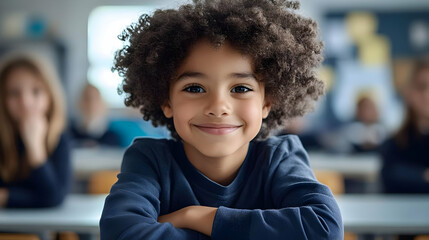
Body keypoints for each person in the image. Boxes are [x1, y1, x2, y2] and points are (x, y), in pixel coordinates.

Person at [100, 0, 343, 239]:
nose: (218, 108)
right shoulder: (150, 160)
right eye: (194, 88)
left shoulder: (280, 157)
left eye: (240, 88)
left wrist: (195, 217)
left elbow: (325, 229)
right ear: (167, 101)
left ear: (266, 102)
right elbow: (121, 233)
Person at [0, 52, 71, 208]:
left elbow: (53, 197)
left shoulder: (58, 139)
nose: (25, 102)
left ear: (50, 97)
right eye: (14, 93)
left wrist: (34, 147)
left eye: (36, 91)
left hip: (40, 232)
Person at [381, 59, 429, 194]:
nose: (427, 95)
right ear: (408, 92)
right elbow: (390, 178)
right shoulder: (396, 143)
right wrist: (424, 175)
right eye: (421, 87)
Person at [70, 83, 121, 147]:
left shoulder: (112, 137)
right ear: (79, 103)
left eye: (96, 98)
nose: (91, 104)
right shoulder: (69, 134)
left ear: (103, 103)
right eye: (87, 98)